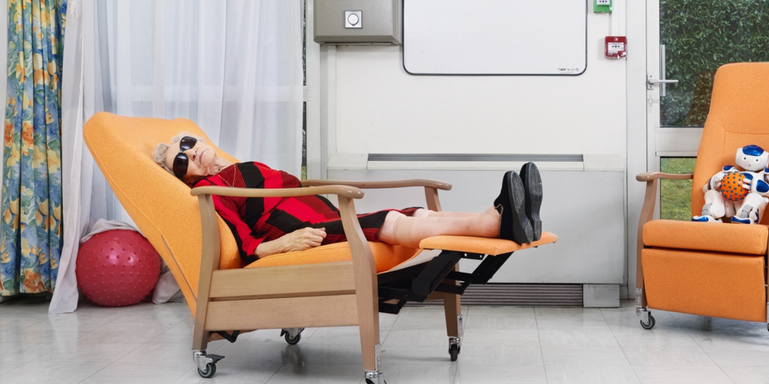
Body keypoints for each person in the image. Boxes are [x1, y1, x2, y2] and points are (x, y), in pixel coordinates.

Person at [152, 133, 542, 262]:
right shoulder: (210, 190)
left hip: (321, 214)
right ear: (186, 178)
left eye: (186, 144)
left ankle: (506, 217)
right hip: (303, 228)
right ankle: (494, 222)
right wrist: (283, 244)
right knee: (386, 222)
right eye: (180, 162)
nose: (189, 154)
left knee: (412, 212)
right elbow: (244, 242)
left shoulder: (239, 167)